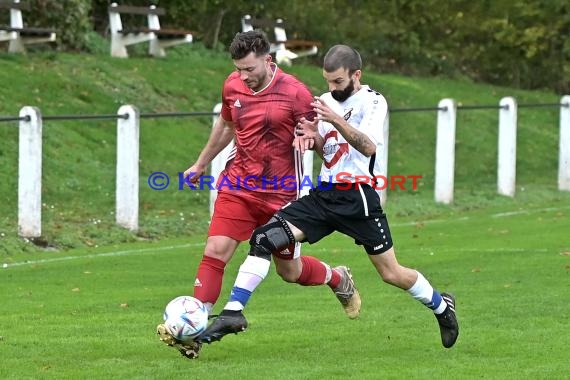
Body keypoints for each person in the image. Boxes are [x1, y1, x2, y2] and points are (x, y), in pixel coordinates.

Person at [199, 44, 459, 349]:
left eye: (338, 82)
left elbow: (368, 147)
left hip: (358, 198)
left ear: (356, 75)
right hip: (323, 195)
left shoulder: (373, 102)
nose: (332, 88)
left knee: (391, 273)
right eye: (327, 81)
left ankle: (442, 307)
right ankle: (233, 312)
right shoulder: (323, 101)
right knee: (263, 238)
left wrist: (333, 120)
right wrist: (313, 137)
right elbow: (331, 153)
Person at [156, 32, 361, 359]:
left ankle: (337, 277)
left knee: (289, 272)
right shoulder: (232, 86)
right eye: (238, 69)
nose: (243, 77)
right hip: (238, 186)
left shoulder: (296, 93)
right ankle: (197, 327)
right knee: (215, 251)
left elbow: (320, 141)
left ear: (269, 61)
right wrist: (199, 164)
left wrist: (310, 140)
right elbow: (225, 127)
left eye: (249, 69)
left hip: (282, 196)